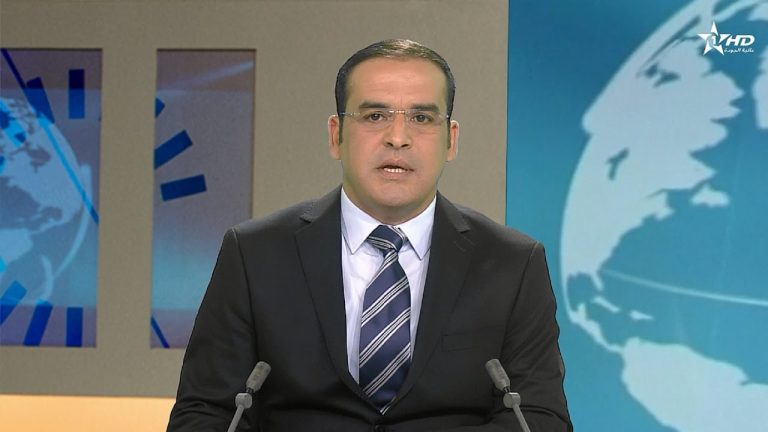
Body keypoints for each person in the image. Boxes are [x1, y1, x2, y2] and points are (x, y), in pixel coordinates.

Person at [167, 39, 572, 432]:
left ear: (451, 140)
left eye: (422, 118)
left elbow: (540, 418)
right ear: (336, 135)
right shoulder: (255, 254)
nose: (398, 137)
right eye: (375, 116)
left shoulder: (512, 264)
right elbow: (205, 414)